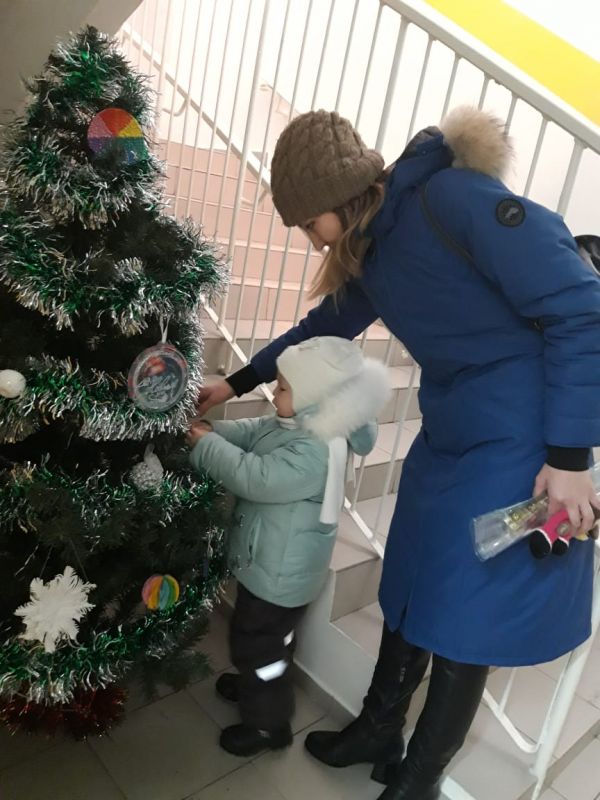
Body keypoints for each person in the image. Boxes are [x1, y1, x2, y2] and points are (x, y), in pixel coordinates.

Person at [196, 105, 600, 799]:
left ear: (340, 195)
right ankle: (378, 729)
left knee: (467, 605)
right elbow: (322, 326)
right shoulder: (372, 249)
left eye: (308, 221)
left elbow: (581, 305)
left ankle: (418, 779)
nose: (308, 239)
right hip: (452, 424)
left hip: (523, 434)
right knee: (412, 572)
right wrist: (233, 382)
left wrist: (569, 458)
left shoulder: (451, 198)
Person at [187, 336, 389, 757]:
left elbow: (256, 478)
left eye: (282, 387)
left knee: (258, 644)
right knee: (265, 641)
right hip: (272, 567)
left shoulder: (316, 449)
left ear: (313, 399)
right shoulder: (300, 424)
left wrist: (205, 445)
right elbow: (254, 433)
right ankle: (256, 682)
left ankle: (268, 723)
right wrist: (212, 430)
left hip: (280, 575)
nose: (274, 392)